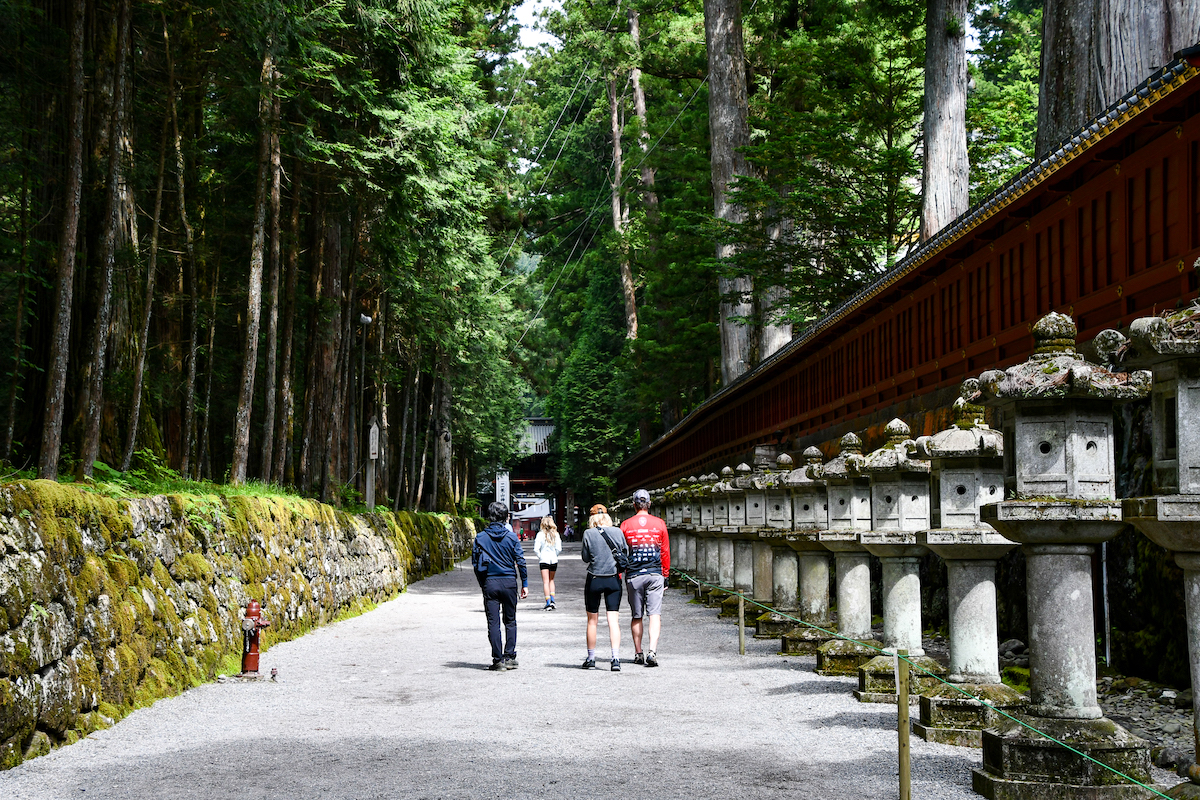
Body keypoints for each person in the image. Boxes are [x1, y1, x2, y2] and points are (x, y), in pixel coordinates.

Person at [471, 501, 528, 671]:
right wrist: (524, 583)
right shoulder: (511, 537)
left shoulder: (480, 538)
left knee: (493, 623)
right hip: (509, 582)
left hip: (490, 582)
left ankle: (498, 660)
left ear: (489, 517)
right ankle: (510, 656)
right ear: (505, 517)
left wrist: (483, 584)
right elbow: (521, 561)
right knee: (510, 620)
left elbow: (476, 564)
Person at [620, 488, 670, 667]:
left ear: (634, 505)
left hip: (634, 574)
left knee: (637, 615)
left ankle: (638, 652)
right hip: (655, 573)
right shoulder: (660, 524)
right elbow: (664, 551)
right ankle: (652, 651)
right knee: (654, 614)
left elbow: (622, 553)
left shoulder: (625, 525)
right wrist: (666, 574)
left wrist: (620, 574)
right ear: (649, 504)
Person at [580, 504, 628, 671]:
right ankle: (615, 659)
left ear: (592, 518)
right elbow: (625, 553)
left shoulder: (588, 534)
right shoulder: (618, 532)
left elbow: (585, 558)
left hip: (594, 578)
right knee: (613, 620)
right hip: (613, 579)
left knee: (592, 621)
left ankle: (591, 658)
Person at [533, 515, 562, 610]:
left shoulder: (540, 535)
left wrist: (541, 556)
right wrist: (555, 555)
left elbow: (536, 549)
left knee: (545, 582)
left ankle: (548, 602)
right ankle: (553, 600)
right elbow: (559, 548)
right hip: (553, 560)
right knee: (551, 580)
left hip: (544, 560)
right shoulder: (556, 534)